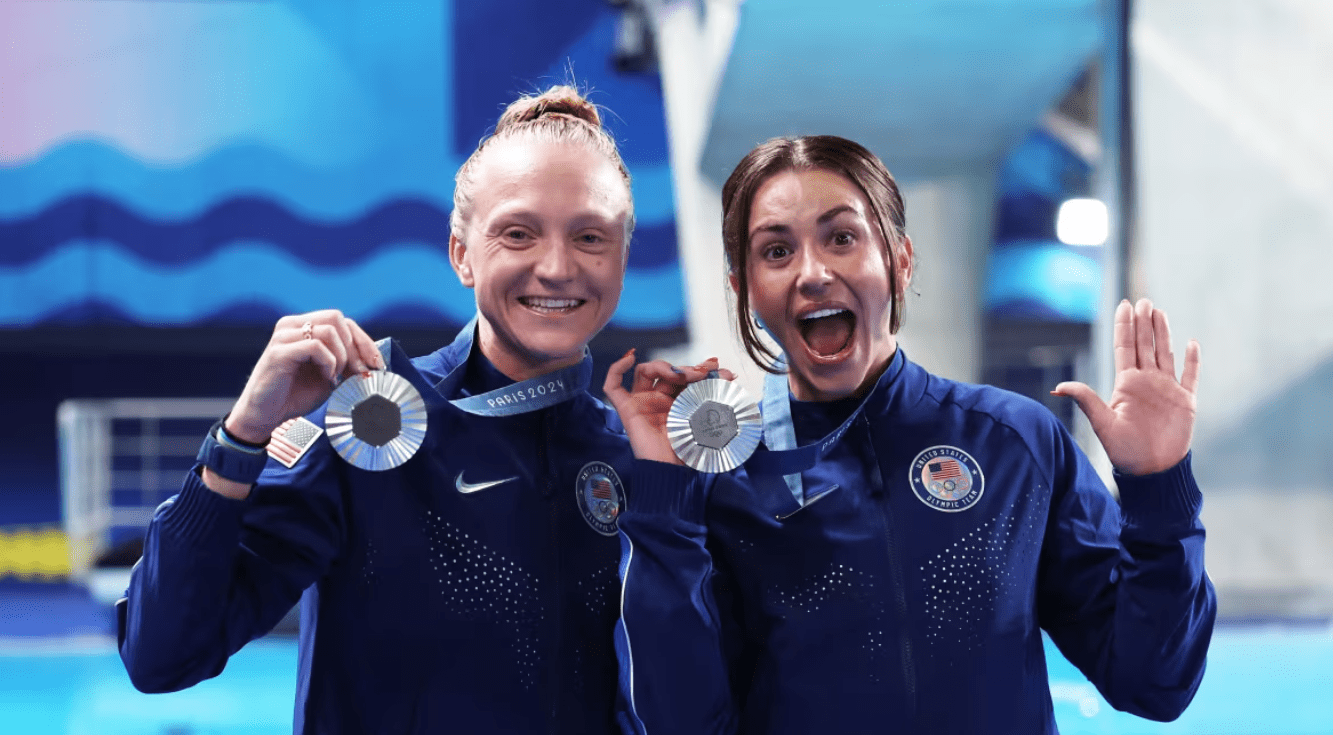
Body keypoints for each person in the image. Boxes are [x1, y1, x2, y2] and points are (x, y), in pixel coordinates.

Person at [117, 86, 706, 734]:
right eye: (518, 232)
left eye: (589, 236)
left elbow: (692, 707)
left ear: (622, 258)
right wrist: (240, 439)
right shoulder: (370, 421)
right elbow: (162, 656)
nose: (557, 266)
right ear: (461, 253)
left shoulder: (637, 457)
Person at [604, 135, 1216, 734]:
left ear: (899, 260)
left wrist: (1158, 491)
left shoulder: (1013, 443)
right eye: (776, 251)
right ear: (745, 287)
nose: (812, 272)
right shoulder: (717, 479)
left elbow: (1154, 682)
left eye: (841, 238)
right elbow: (675, 720)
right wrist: (663, 499)